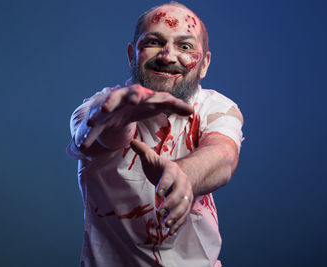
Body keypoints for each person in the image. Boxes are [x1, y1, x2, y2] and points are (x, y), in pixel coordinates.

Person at [67, 2, 244, 266]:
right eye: (153, 41)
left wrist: (182, 174)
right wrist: (117, 120)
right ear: (132, 54)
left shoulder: (216, 108)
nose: (167, 55)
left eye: (184, 46)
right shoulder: (98, 108)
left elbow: (223, 155)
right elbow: (102, 136)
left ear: (204, 64)